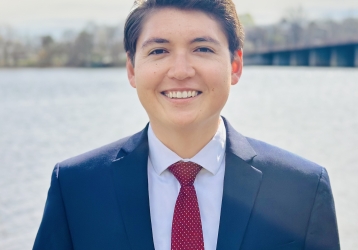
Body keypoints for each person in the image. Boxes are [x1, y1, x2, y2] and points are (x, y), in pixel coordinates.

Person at [33, 0, 340, 249]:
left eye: (202, 48)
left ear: (235, 65)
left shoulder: (303, 188)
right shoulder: (75, 187)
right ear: (131, 69)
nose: (180, 71)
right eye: (159, 51)